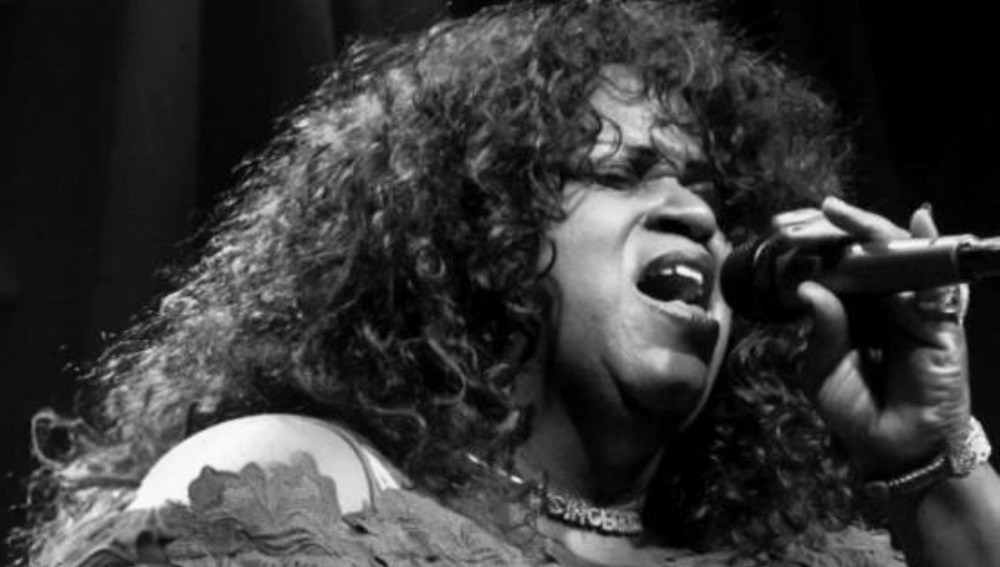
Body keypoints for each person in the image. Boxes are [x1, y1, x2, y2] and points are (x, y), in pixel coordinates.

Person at [16, 1, 1000, 565]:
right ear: (482, 233)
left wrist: (927, 457)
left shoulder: (791, 555)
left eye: (710, 197)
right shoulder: (306, 481)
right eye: (623, 173)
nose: (696, 216)